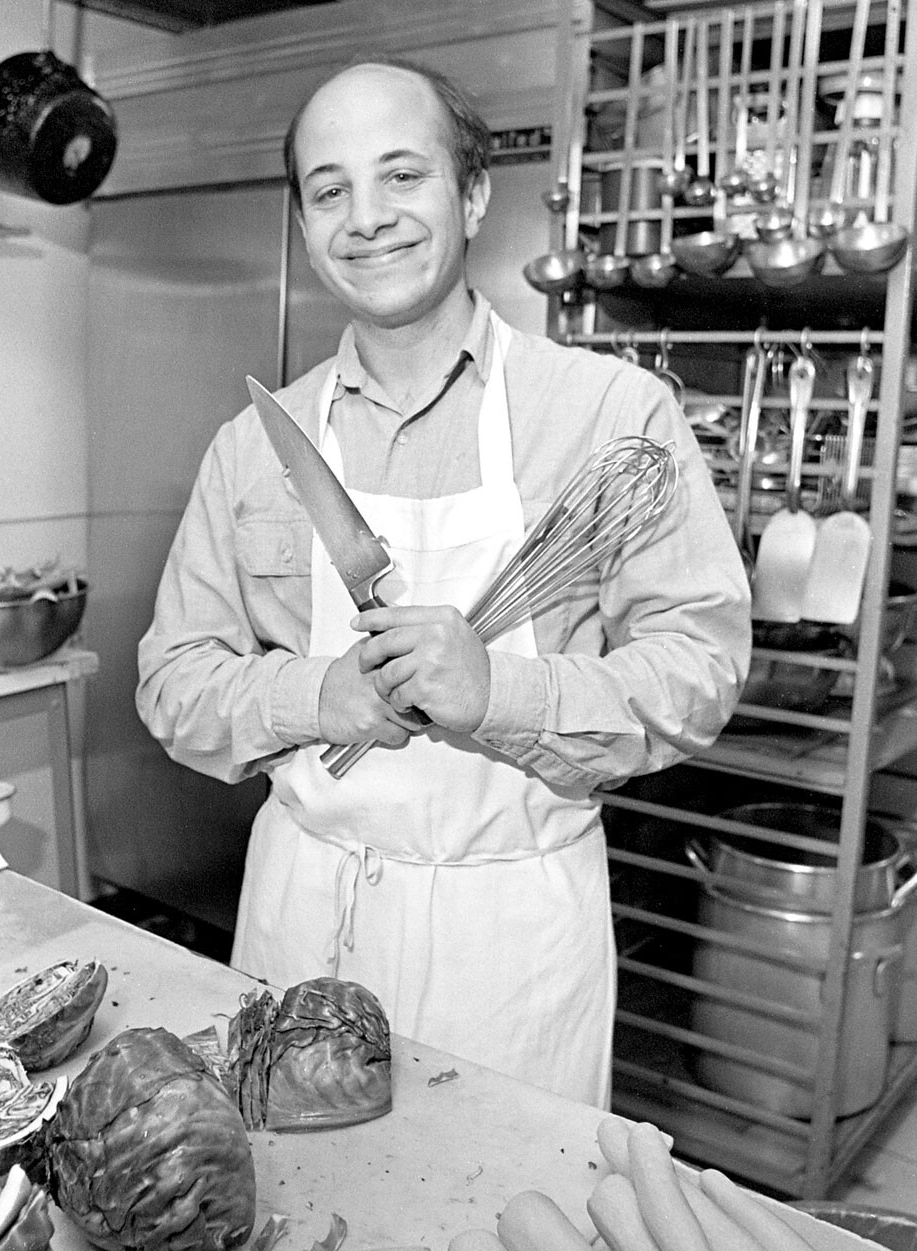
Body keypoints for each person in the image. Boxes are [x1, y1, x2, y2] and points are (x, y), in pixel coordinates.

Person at [137, 56, 751, 1106]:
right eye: (330, 190)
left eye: (402, 175)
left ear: (472, 197)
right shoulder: (255, 445)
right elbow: (172, 682)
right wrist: (317, 695)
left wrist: (499, 691)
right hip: (305, 914)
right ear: (304, 227)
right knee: (296, 1199)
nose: (367, 218)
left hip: (512, 939)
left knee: (512, 1201)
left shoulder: (609, 414)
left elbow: (700, 673)